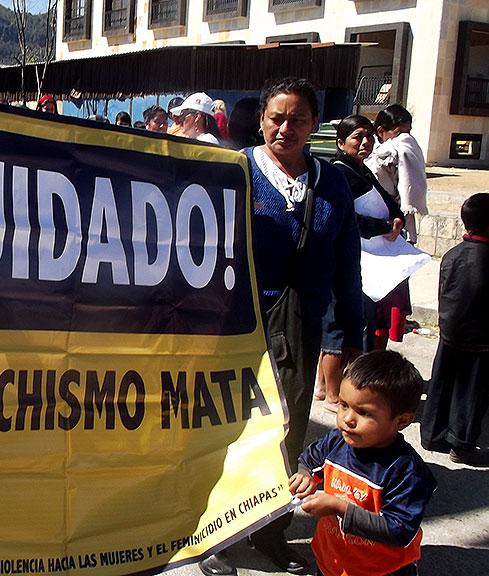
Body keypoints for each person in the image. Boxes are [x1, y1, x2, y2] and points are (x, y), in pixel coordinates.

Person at [199, 77, 362, 576]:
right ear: (262, 119)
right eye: (276, 117)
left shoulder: (331, 180)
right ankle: (220, 538)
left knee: (285, 432)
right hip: (240, 325)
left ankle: (270, 531)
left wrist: (349, 332)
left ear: (315, 125)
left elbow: (345, 260)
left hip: (303, 324)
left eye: (298, 119)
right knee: (233, 430)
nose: (285, 128)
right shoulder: (237, 170)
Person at [290, 350, 436, 576]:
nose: (348, 419)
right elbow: (311, 458)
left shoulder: (406, 471)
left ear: (402, 421)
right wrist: (305, 474)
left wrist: (340, 508)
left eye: (364, 412)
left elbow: (400, 530)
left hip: (381, 570)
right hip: (331, 561)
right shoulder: (337, 441)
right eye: (344, 404)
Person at [316, 115, 406, 412]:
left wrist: (394, 219)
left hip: (364, 258)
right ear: (341, 143)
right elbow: (347, 218)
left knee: (346, 324)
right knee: (335, 330)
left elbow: (389, 202)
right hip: (340, 259)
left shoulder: (363, 170)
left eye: (369, 137)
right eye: (358, 137)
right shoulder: (338, 173)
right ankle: (331, 394)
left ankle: (321, 386)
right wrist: (383, 227)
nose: (365, 142)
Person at [420, 192, 489, 466]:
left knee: (443, 383)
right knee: (473, 392)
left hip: (450, 332)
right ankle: (462, 444)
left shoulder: (452, 254)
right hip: (482, 338)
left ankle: (433, 434)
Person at [365, 105, 428, 243]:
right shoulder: (374, 152)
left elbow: (408, 184)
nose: (405, 138)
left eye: (408, 132)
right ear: (381, 131)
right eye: (399, 133)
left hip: (398, 215)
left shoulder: (405, 150)